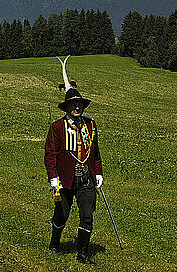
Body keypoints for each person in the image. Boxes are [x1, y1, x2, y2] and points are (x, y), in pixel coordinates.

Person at [44, 56, 103, 265]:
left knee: (87, 216)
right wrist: (53, 177)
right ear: (67, 107)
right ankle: (55, 242)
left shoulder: (91, 125)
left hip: (86, 179)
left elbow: (95, 151)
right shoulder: (57, 127)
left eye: (79, 104)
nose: (77, 108)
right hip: (65, 180)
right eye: (73, 105)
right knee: (62, 215)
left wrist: (98, 173)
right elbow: (50, 154)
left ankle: (83, 253)